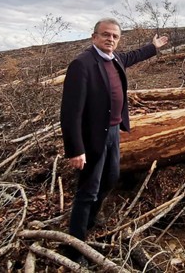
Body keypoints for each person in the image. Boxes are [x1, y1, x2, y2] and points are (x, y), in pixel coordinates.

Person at [60, 17, 168, 263]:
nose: (110, 39)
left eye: (115, 36)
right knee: (87, 190)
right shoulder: (82, 64)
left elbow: (131, 57)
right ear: (94, 36)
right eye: (106, 34)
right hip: (91, 137)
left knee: (110, 178)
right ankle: (75, 248)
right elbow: (70, 112)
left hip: (112, 133)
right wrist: (76, 149)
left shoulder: (114, 58)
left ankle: (89, 219)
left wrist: (152, 47)